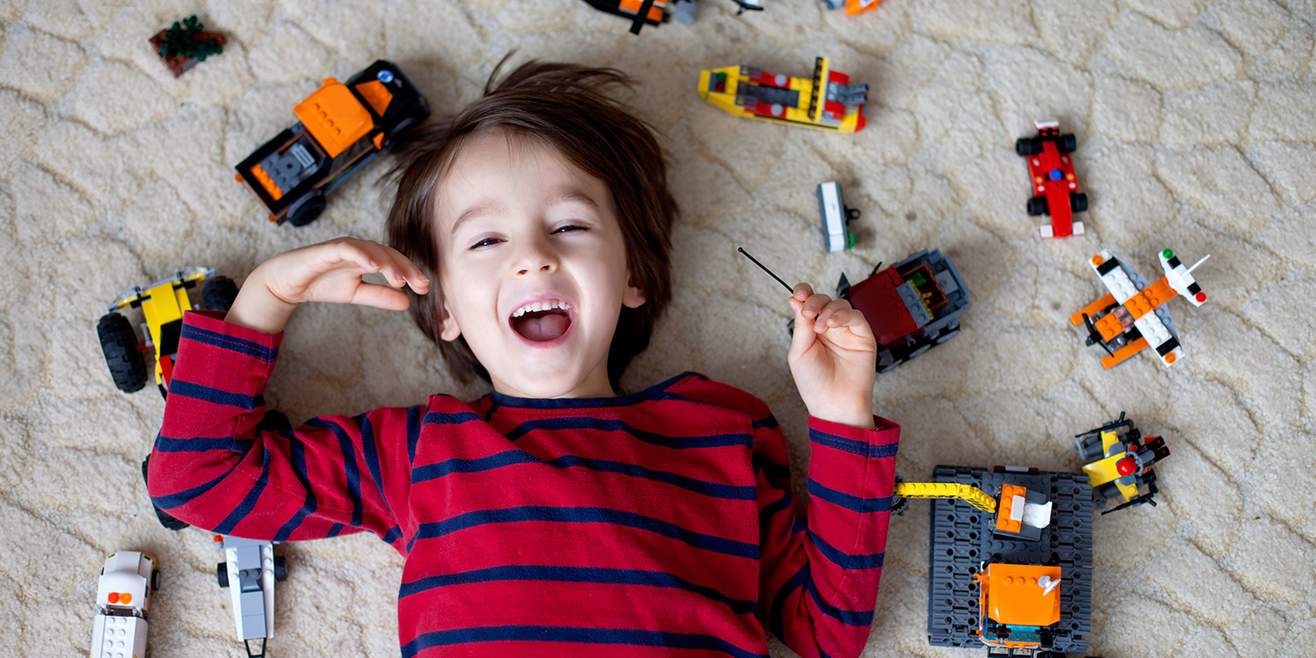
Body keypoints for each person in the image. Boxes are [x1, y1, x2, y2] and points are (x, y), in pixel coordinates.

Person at [148, 59, 900, 658]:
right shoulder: (418, 452)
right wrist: (263, 301)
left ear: (633, 275)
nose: (534, 258)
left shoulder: (720, 429)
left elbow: (825, 632)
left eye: (570, 226)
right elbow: (198, 485)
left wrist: (841, 419)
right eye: (485, 241)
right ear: (443, 308)